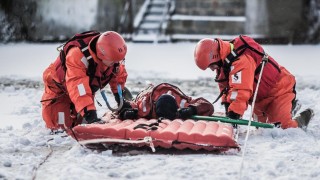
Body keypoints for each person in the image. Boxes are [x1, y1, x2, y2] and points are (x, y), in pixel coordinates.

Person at [193, 35, 314, 129]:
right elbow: (226, 88)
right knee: (263, 128)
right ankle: (289, 108)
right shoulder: (224, 64)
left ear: (215, 56)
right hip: (259, 99)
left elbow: (240, 90)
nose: (213, 69)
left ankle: (304, 116)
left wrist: (233, 114)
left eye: (212, 66)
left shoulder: (241, 61)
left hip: (279, 90)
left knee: (281, 128)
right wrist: (227, 107)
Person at [41, 31, 128, 130]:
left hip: (85, 88)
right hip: (60, 90)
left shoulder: (112, 58)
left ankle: (82, 113)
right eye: (113, 61)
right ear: (101, 55)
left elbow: (118, 76)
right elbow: (78, 85)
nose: (117, 63)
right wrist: (90, 114)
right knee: (61, 127)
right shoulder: (77, 55)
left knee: (79, 125)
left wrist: (121, 100)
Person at [117, 83, 214, 120]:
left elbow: (207, 105)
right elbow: (124, 107)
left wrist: (192, 109)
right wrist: (125, 113)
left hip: (167, 91)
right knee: (133, 100)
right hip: (148, 92)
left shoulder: (181, 102)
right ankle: (128, 94)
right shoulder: (145, 105)